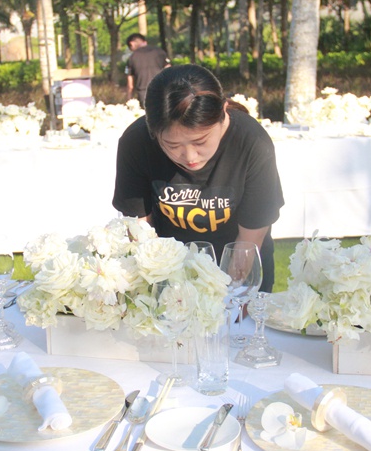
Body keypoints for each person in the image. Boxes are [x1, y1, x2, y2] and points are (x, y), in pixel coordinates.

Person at [113, 64, 284, 291]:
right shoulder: (136, 143)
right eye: (172, 145)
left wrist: (226, 296)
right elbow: (140, 234)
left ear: (223, 112)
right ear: (153, 132)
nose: (190, 157)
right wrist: (167, 291)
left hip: (241, 271)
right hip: (169, 276)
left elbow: (248, 242)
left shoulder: (252, 143)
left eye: (200, 141)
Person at [125, 34, 171, 106]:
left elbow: (130, 85)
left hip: (144, 94)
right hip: (161, 91)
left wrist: (129, 101)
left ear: (132, 44)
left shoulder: (132, 58)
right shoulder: (159, 52)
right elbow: (169, 71)